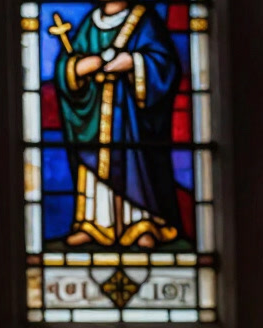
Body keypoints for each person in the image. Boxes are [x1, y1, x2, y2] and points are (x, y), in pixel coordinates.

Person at [54, 1, 183, 249]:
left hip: (131, 118)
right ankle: (93, 224)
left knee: (135, 163)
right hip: (94, 115)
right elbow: (66, 66)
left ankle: (143, 223)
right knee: (94, 173)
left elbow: (165, 64)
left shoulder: (144, 20)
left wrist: (134, 63)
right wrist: (78, 68)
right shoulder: (92, 22)